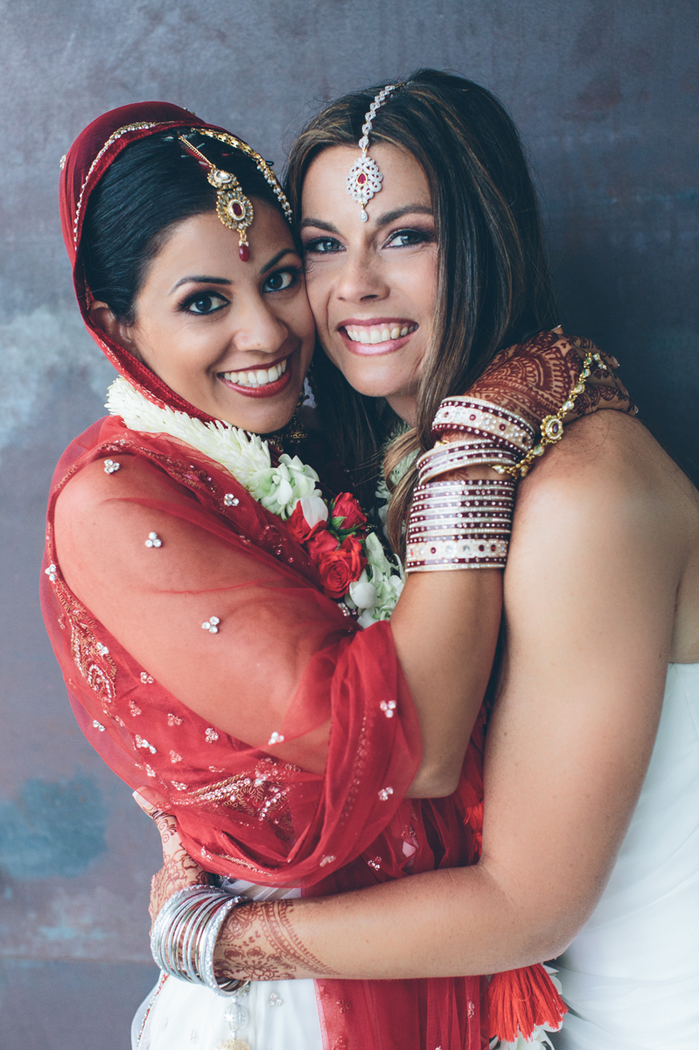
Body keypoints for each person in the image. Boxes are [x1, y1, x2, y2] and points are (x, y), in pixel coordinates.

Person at [44, 99, 626, 1050]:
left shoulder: (315, 447)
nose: (267, 333)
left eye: (279, 278)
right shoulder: (115, 500)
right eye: (203, 303)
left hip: (432, 956)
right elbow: (414, 747)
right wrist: (476, 454)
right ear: (113, 321)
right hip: (300, 1003)